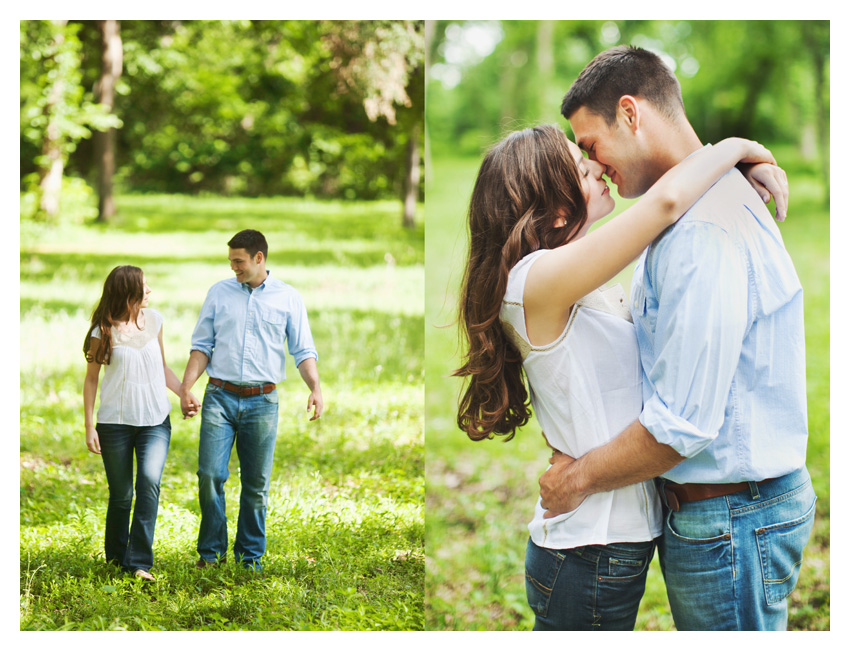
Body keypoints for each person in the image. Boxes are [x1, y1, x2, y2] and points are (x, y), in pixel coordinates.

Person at [454, 122, 787, 630]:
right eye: (584, 171)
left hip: (615, 542)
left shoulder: (580, 277)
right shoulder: (533, 284)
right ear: (558, 208)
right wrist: (738, 148)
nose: (600, 171)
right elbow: (665, 205)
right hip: (586, 550)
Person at [539, 45, 816, 631]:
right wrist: (734, 154)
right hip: (726, 515)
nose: (592, 165)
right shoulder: (687, 213)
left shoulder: (701, 231)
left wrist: (576, 478)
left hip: (733, 520)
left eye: (591, 146)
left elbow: (681, 425)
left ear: (631, 114)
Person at [180, 229, 323, 572]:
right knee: (210, 475)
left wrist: (315, 387)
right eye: (230, 261)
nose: (233, 268)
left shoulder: (288, 298)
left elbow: (303, 350)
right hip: (219, 396)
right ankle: (211, 555)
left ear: (259, 258)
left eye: (239, 261)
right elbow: (202, 345)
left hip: (262, 401)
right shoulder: (219, 293)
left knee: (256, 485)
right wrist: (186, 387)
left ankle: (249, 558)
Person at [83, 265, 198, 581]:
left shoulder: (155, 321)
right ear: (128, 291)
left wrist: (184, 393)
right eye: (144, 286)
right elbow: (91, 380)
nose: (150, 291)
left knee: (149, 485)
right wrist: (89, 425)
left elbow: (160, 366)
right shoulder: (101, 332)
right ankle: (115, 561)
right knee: (121, 495)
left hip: (155, 421)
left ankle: (139, 564)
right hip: (114, 424)